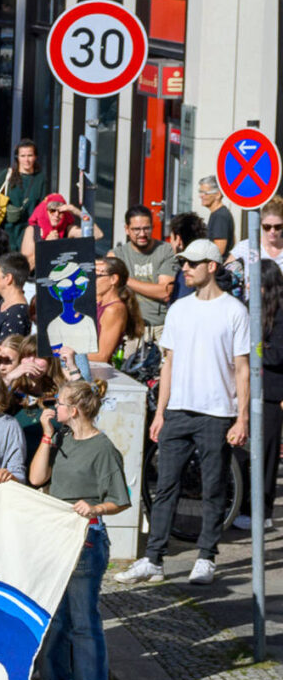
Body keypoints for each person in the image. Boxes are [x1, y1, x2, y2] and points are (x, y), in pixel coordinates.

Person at [119, 238, 252, 585]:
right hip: (178, 409)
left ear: (213, 266)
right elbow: (169, 364)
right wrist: (161, 412)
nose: (186, 269)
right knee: (166, 486)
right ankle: (153, 559)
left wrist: (242, 417)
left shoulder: (235, 311)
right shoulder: (179, 308)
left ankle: (206, 557)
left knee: (213, 487)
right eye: (184, 263)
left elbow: (242, 368)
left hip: (217, 411)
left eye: (193, 263)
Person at [31, 377, 128, 680]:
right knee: (55, 617)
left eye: (58, 403)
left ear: (73, 410)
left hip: (86, 538)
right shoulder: (61, 439)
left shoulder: (103, 449)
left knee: (83, 618)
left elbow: (120, 499)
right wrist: (46, 436)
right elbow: (36, 478)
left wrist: (95, 508)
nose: (52, 407)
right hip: (56, 536)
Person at [111, 206, 181, 333]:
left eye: (146, 228)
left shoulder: (166, 250)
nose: (142, 234)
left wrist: (124, 279)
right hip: (129, 328)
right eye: (136, 229)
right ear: (127, 229)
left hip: (160, 327)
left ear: (152, 227)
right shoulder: (117, 255)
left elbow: (164, 292)